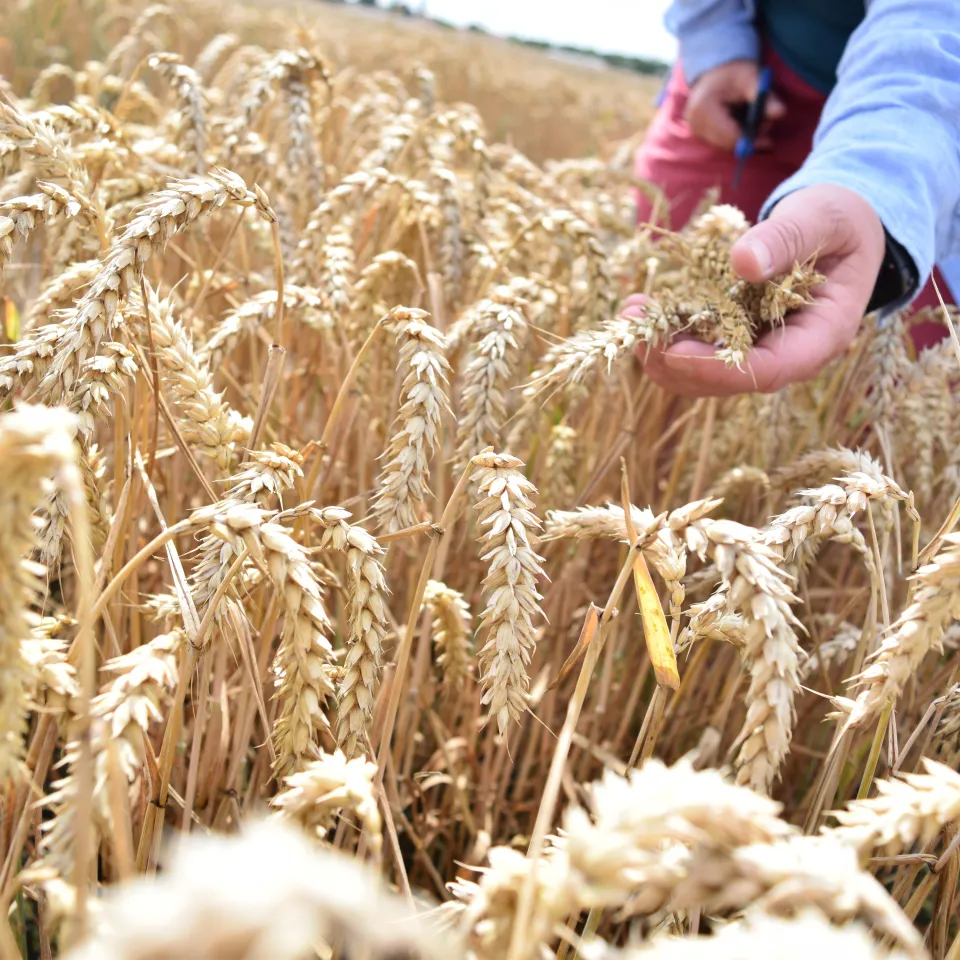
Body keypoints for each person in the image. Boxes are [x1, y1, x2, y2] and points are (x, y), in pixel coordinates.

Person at [630, 0, 960, 398]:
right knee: (661, 348)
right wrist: (716, 43)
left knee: (921, 382)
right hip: (742, 83)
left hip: (923, 102)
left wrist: (871, 184)